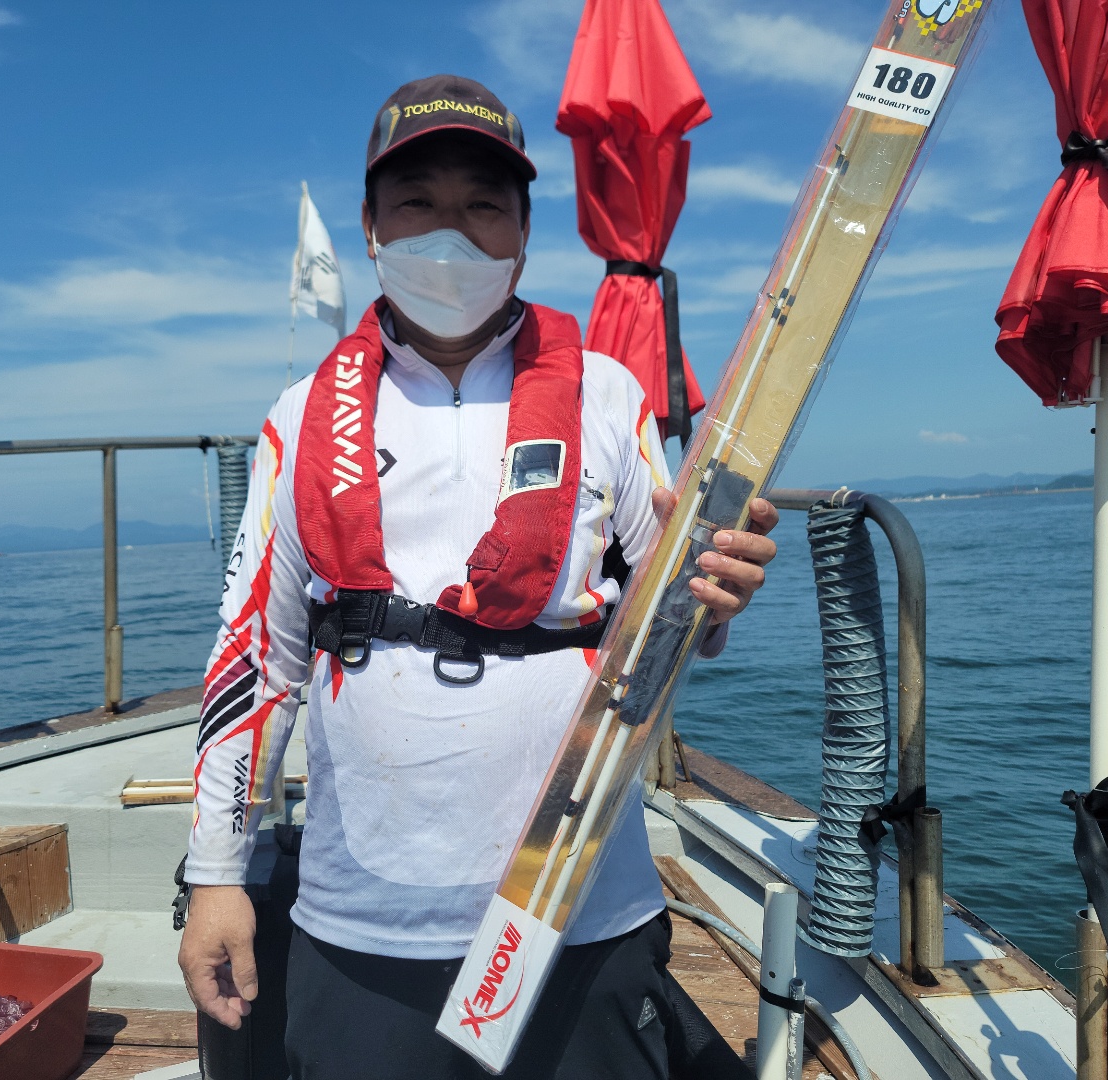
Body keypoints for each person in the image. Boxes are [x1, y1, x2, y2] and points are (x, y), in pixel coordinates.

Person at [178, 74, 778, 1079]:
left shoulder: (606, 396)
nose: (449, 234)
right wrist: (215, 877)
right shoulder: (298, 418)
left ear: (524, 233)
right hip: (362, 924)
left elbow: (673, 621)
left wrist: (720, 589)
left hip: (580, 906)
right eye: (417, 202)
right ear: (370, 226)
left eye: (482, 205)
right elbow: (255, 666)